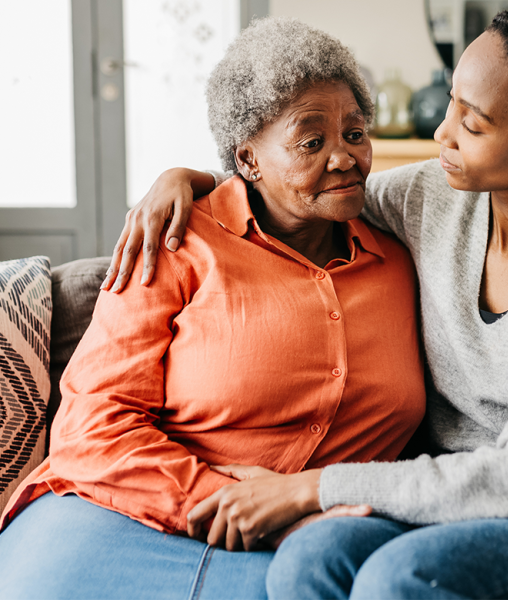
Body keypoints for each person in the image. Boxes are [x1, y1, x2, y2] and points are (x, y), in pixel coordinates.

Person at [104, 2, 508, 598]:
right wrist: (189, 179)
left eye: (472, 124)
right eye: (451, 103)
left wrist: (312, 488)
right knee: (309, 558)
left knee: (405, 579)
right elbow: (305, 187)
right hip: (463, 503)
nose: (442, 133)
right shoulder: (433, 196)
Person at [0, 17, 427, 599]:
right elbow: (89, 428)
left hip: (315, 543)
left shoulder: (403, 255)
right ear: (247, 159)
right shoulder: (176, 240)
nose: (345, 157)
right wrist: (225, 495)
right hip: (120, 515)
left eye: (355, 133)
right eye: (312, 141)